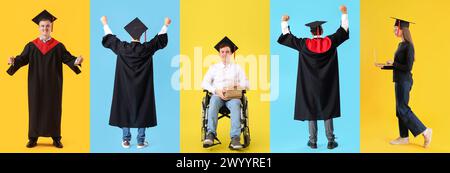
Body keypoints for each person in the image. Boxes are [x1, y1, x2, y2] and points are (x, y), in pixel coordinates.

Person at [7, 10, 83, 148]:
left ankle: (56, 137)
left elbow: (68, 59)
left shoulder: (58, 46)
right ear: (39, 27)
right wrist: (13, 61)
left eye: (47, 26)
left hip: (54, 84)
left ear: (51, 28)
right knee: (35, 107)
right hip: (35, 84)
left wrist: (76, 61)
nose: (45, 28)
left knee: (54, 108)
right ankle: (33, 137)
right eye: (42, 26)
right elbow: (22, 59)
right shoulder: (31, 46)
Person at [277, 5, 349, 149]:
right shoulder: (331, 42)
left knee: (311, 110)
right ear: (321, 31)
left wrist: (284, 22)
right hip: (327, 85)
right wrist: (344, 13)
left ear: (311, 32)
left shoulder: (304, 44)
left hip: (309, 85)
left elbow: (287, 37)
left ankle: (313, 141)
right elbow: (343, 30)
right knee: (327, 108)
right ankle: (330, 141)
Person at [101, 16, 170, 149]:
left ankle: (126, 140)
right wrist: (165, 25)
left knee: (124, 107)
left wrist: (105, 23)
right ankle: (140, 141)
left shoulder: (122, 48)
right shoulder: (146, 49)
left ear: (129, 34)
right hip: (143, 88)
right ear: (142, 34)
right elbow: (159, 39)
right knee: (143, 107)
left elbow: (110, 38)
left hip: (125, 88)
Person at [375, 17, 432, 148]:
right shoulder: (401, 45)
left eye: (396, 29)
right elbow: (398, 65)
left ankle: (425, 131)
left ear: (403, 30)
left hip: (405, 81)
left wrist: (393, 63)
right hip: (399, 80)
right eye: (394, 29)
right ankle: (404, 137)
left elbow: (408, 67)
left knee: (403, 109)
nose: (394, 31)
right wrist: (384, 65)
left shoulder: (409, 46)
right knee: (399, 110)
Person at [201, 36, 249, 150]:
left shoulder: (237, 68)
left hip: (233, 97)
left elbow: (247, 84)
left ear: (231, 53)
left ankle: (235, 138)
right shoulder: (214, 68)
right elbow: (204, 83)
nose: (224, 54)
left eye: (227, 51)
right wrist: (215, 90)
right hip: (218, 96)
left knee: (237, 104)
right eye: (222, 52)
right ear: (219, 54)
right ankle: (211, 134)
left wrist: (233, 86)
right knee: (213, 101)